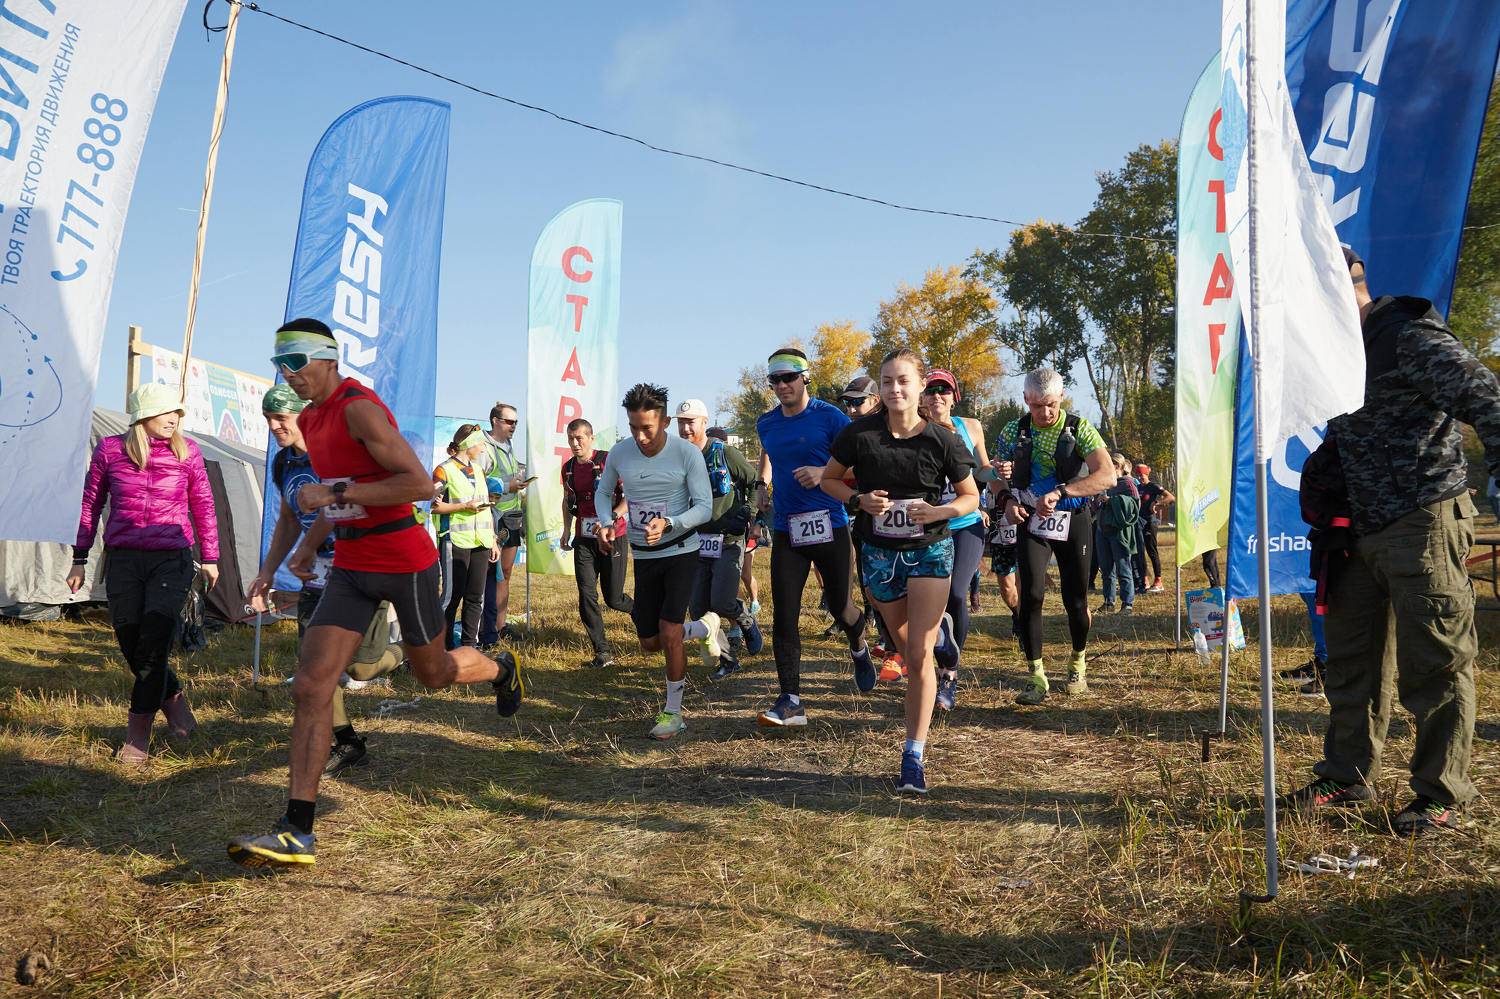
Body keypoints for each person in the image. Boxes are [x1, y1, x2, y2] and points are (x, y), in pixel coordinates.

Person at [228, 319, 523, 868]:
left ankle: (501, 667)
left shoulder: (357, 408)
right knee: (311, 684)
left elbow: (418, 484)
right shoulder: (310, 420)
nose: (288, 374)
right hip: (350, 566)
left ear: (327, 358)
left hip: (404, 560)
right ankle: (297, 829)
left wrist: (331, 493)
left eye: (296, 362)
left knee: (433, 674)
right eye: (279, 364)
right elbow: (335, 499)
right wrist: (303, 547)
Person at [1279, 249, 1500, 837]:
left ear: (1342, 290)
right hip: (1356, 530)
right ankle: (1346, 775)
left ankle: (1440, 793)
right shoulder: (1341, 352)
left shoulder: (1408, 337)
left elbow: (1486, 397)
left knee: (1436, 663)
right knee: (1352, 661)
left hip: (1422, 520)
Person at [821, 348, 977, 793]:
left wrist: (939, 511)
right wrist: (858, 500)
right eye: (887, 381)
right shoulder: (859, 434)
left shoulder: (942, 440)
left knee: (918, 657)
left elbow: (969, 497)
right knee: (908, 647)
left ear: (921, 385)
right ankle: (942, 637)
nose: (894, 389)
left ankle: (913, 755)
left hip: (930, 550)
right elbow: (830, 479)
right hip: (878, 554)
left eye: (903, 380)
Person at [247, 384, 403, 775]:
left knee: (361, 669)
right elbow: (288, 519)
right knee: (314, 667)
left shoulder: (333, 453)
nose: (274, 426)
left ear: (304, 415)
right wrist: (267, 571)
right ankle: (347, 742)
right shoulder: (283, 463)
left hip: (360, 567)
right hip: (316, 575)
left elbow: (349, 505)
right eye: (268, 418)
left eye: (280, 417)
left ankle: (405, 654)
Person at [68, 382, 220, 764]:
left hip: (171, 559)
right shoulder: (110, 450)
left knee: (153, 645)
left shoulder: (188, 451)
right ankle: (175, 702)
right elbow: (90, 503)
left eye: (177, 413)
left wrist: (211, 557)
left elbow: (203, 504)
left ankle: (137, 737)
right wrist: (79, 557)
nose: (173, 419)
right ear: (143, 416)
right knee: (131, 645)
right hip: (124, 560)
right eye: (166, 411)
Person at [755, 348, 873, 726]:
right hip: (787, 528)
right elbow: (771, 454)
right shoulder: (766, 423)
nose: (782, 385)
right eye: (775, 380)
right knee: (784, 614)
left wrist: (823, 473)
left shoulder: (831, 417)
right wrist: (761, 485)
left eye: (789, 377)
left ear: (805, 377)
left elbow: (861, 464)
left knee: (841, 607)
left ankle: (858, 644)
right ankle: (790, 699)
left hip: (829, 524)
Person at [594, 384, 713, 739]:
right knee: (649, 642)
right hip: (644, 555)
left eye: (647, 428)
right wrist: (606, 522)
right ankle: (704, 629)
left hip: (681, 551)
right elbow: (604, 492)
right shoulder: (620, 452)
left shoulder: (686, 454)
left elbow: (704, 507)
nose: (640, 436)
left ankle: (673, 713)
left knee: (669, 631)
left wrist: (670, 523)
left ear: (664, 421)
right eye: (633, 427)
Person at [994, 367, 1116, 705]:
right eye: (1036, 405)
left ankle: (1077, 662)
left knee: (1075, 598)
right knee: (1031, 594)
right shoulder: (1013, 430)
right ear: (1025, 399)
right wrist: (1006, 498)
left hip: (1073, 519)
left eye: (1050, 404)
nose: (1044, 412)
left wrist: (1062, 492)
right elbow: (995, 474)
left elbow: (1107, 475)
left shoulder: (1080, 428)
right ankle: (1036, 676)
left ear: (1062, 397)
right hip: (1031, 519)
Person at [916, 367, 992, 710]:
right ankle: (930, 660)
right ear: (922, 397)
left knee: (957, 593)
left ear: (954, 397)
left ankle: (949, 674)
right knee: (923, 600)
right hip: (929, 524)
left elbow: (983, 470)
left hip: (966, 522)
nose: (937, 396)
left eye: (943, 390)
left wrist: (1000, 472)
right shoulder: (914, 428)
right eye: (931, 390)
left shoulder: (970, 426)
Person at [674, 399, 763, 679]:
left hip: (728, 539)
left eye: (691, 422)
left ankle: (745, 620)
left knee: (723, 602)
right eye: (681, 423)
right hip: (696, 542)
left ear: (704, 422)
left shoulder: (724, 452)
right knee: (699, 610)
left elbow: (754, 482)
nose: (685, 428)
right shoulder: (678, 457)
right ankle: (728, 659)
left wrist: (749, 513)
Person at [558, 418, 633, 669]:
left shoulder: (608, 461)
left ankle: (642, 613)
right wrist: (566, 529)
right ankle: (602, 651)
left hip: (613, 536)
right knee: (586, 593)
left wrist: (611, 518)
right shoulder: (568, 468)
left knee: (614, 598)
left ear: (591, 438)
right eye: (571, 438)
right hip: (584, 539)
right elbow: (568, 500)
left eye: (579, 438)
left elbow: (629, 496)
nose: (575, 443)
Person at [432, 424, 501, 649]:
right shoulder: (443, 470)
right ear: (468, 445)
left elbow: (485, 508)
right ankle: (440, 648)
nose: (482, 448)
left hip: (481, 541)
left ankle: (469, 647)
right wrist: (464, 506)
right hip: (455, 541)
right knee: (451, 597)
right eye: (480, 443)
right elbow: (433, 506)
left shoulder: (479, 470)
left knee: (475, 597)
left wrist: (493, 539)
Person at [477, 402, 530, 644]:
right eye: (509, 421)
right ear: (495, 421)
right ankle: (485, 628)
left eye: (516, 422)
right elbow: (477, 482)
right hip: (492, 517)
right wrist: (508, 485)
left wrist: (518, 482)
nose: (514, 426)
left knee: (505, 574)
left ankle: (500, 625)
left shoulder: (508, 444)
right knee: (490, 576)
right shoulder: (483, 446)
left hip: (512, 516)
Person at [1097, 453, 1140, 616]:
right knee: (1106, 570)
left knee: (1123, 568)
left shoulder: (1128, 483)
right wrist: (1098, 500)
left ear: (1117, 466)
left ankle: (1127, 604)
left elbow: (1135, 505)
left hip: (1119, 532)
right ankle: (1109, 602)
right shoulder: (1105, 482)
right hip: (1102, 530)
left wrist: (1112, 500)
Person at [1134, 463, 1172, 592]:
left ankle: (1158, 581)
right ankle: (1144, 580)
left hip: (1150, 522)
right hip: (1139, 522)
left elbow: (1170, 497)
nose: (1140, 477)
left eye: (1142, 475)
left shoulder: (1153, 486)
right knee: (1139, 552)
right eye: (1138, 475)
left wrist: (1157, 503)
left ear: (1147, 474)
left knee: (1151, 551)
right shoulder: (1137, 487)